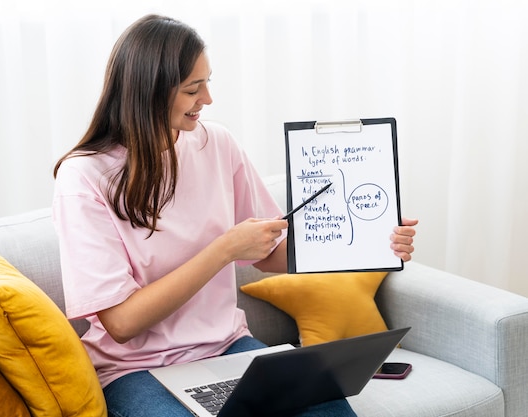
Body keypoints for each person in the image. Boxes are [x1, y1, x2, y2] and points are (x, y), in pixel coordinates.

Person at [52, 14, 418, 417]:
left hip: (227, 347)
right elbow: (121, 323)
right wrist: (224, 249)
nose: (207, 99)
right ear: (149, 93)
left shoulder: (216, 143)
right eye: (194, 89)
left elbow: (271, 253)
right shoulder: (85, 175)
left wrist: (372, 240)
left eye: (208, 83)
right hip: (135, 370)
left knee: (331, 410)